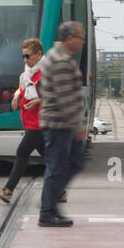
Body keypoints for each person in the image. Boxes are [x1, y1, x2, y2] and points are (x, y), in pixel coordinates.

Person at [38, 22, 88, 226]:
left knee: (69, 164)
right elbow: (65, 98)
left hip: (61, 123)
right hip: (60, 125)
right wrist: (77, 127)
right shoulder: (59, 60)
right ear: (69, 39)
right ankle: (47, 211)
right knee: (58, 167)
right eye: (80, 38)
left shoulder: (61, 56)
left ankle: (50, 205)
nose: (82, 43)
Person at [0, 39, 47, 203]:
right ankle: (59, 191)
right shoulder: (28, 73)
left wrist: (38, 101)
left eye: (27, 56)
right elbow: (23, 88)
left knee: (22, 153)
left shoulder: (46, 73)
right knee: (50, 158)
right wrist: (17, 95)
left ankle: (8, 190)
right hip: (30, 121)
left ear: (38, 54)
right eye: (23, 56)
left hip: (39, 123)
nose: (25, 60)